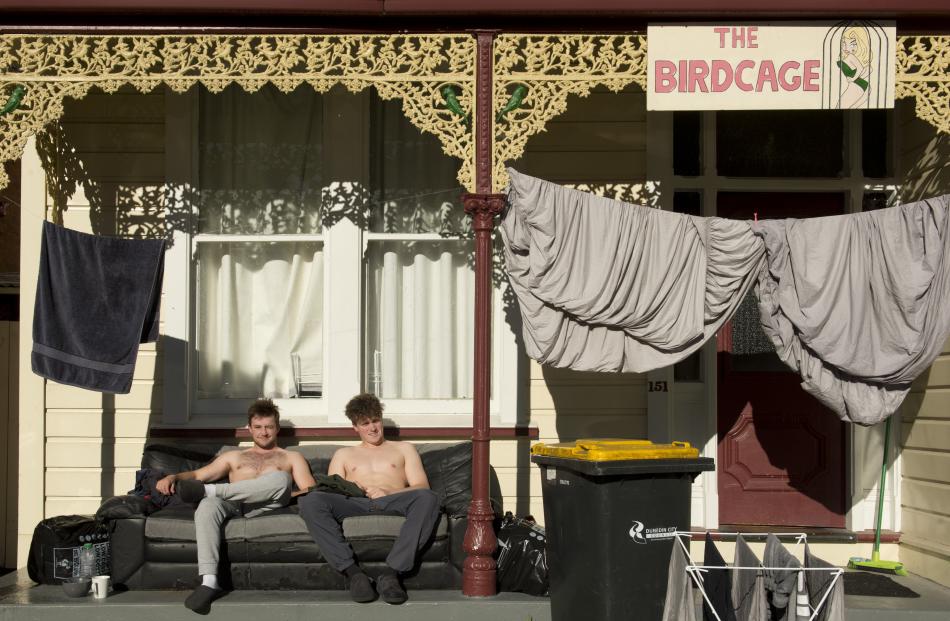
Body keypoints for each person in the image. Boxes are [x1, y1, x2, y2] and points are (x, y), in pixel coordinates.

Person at [156, 398, 316, 615]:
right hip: (233, 504)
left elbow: (309, 489)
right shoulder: (233, 456)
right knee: (207, 505)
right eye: (258, 427)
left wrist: (285, 492)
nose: (264, 433)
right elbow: (197, 475)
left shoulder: (291, 457)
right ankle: (209, 582)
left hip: (267, 504)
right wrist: (173, 476)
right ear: (249, 428)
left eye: (269, 427)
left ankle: (210, 490)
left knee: (280, 479)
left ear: (277, 428)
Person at [298, 393, 440, 605]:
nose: (372, 428)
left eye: (375, 421)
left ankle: (391, 575)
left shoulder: (404, 449)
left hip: (394, 500)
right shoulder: (344, 454)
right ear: (355, 427)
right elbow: (330, 490)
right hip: (356, 501)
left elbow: (421, 486)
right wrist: (357, 490)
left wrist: (388, 492)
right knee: (312, 501)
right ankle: (354, 574)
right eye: (365, 423)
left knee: (428, 498)